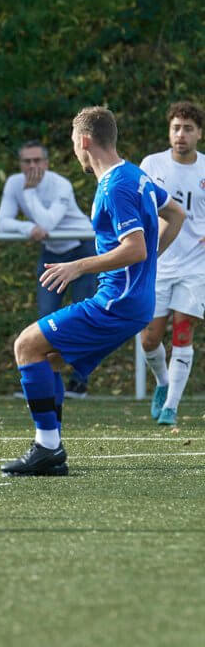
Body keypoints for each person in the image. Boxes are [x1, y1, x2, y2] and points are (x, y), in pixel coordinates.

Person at [1, 106, 185, 477]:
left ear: (84, 141)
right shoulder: (137, 176)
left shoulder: (115, 186)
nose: (74, 150)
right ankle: (50, 448)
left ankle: (47, 448)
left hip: (117, 302)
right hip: (132, 301)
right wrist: (147, 268)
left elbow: (135, 247)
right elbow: (176, 214)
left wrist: (77, 266)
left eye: (73, 143)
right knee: (47, 356)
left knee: (25, 345)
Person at [0, 140, 97, 397]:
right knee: (46, 315)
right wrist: (27, 228)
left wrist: (30, 194)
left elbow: (48, 222)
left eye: (37, 161)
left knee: (82, 315)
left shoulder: (60, 184)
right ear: (20, 164)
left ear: (46, 163)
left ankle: (79, 382)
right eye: (27, 162)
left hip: (82, 248)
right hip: (52, 251)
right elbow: (3, 222)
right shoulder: (13, 183)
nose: (32, 166)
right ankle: (46, 380)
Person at [138, 101, 205, 425]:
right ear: (169, 131)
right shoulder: (152, 164)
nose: (181, 135)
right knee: (149, 338)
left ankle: (172, 408)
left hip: (196, 265)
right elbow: (139, 207)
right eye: (176, 128)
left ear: (199, 134)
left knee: (183, 330)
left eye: (188, 129)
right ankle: (163, 384)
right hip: (159, 262)